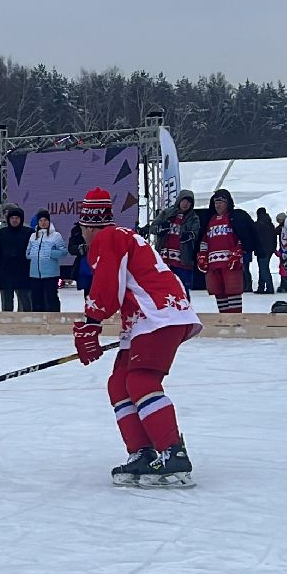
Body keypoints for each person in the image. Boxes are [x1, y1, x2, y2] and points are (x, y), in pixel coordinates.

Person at [71, 186, 201, 489]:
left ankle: (174, 454)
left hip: (158, 315)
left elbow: (107, 286)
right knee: (119, 382)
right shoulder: (122, 236)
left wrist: (91, 323)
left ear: (88, 225)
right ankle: (142, 452)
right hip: (152, 317)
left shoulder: (108, 238)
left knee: (141, 381)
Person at [197, 189, 252, 314]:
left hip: (230, 262)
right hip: (213, 263)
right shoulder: (210, 220)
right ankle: (223, 320)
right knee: (218, 292)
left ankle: (235, 320)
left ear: (228, 203)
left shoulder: (233, 218)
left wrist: (238, 253)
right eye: (216, 202)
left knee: (233, 291)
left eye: (221, 202)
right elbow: (205, 239)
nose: (218, 205)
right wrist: (202, 256)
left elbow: (241, 237)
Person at [157, 190, 202, 291]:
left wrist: (189, 235)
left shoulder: (193, 218)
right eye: (184, 201)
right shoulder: (167, 213)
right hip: (165, 258)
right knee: (164, 290)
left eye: (189, 202)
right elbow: (153, 228)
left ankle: (185, 307)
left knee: (183, 290)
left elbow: (196, 233)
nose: (186, 204)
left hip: (183, 260)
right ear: (179, 201)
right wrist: (161, 228)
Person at [0, 206, 33, 310]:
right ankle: (6, 324)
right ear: (8, 219)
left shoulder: (29, 233)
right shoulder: (1, 233)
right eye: (12, 218)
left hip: (24, 273)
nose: (14, 220)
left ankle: (25, 324)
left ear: (21, 219)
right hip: (5, 273)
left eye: (17, 218)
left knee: (25, 303)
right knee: (6, 304)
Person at [27, 210, 66, 312]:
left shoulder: (56, 235)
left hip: (51, 274)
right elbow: (27, 252)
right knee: (36, 299)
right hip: (35, 274)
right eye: (40, 220)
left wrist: (50, 253)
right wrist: (31, 254)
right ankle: (38, 321)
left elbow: (64, 251)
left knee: (51, 298)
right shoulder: (33, 236)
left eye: (45, 220)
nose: (43, 222)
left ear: (49, 221)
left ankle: (54, 319)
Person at [252, 208, 278, 294]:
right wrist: (273, 248)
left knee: (263, 269)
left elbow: (255, 238)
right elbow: (274, 237)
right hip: (269, 249)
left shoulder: (258, 225)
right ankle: (261, 287)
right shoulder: (270, 224)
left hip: (261, 250)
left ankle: (269, 287)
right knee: (264, 268)